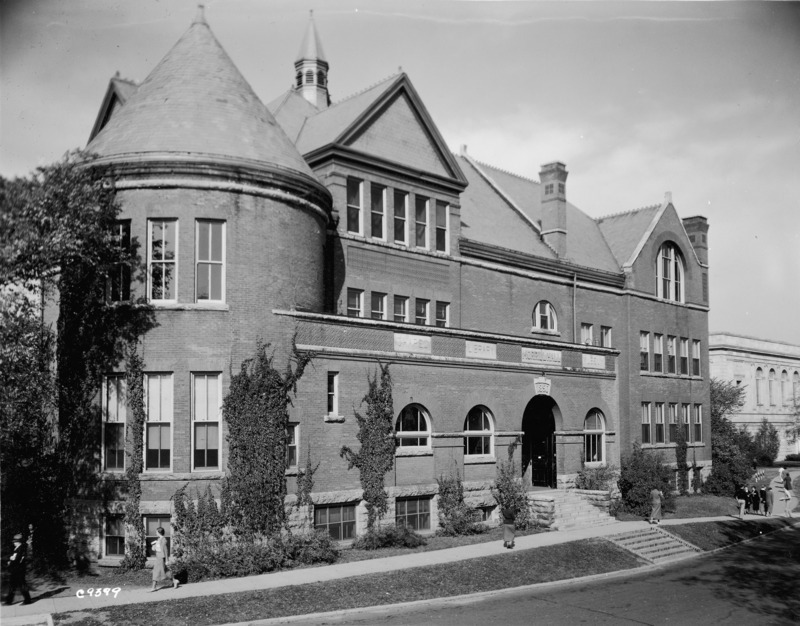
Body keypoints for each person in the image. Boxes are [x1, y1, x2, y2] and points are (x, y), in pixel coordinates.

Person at [4, 534, 32, 605]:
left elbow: (16, 558)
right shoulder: (18, 548)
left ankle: (27, 600)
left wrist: (10, 559)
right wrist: (11, 559)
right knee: (13, 585)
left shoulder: (20, 548)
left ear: (18, 542)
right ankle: (9, 601)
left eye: (15, 541)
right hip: (16, 569)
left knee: (21, 585)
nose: (14, 543)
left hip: (18, 570)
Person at [150, 527, 170, 591]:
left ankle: (153, 587)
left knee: (156, 571)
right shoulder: (159, 540)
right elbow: (155, 549)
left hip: (161, 558)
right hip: (158, 557)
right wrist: (154, 545)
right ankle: (175, 581)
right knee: (166, 571)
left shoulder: (163, 540)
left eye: (156, 532)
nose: (155, 533)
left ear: (159, 532)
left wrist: (167, 560)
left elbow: (165, 550)